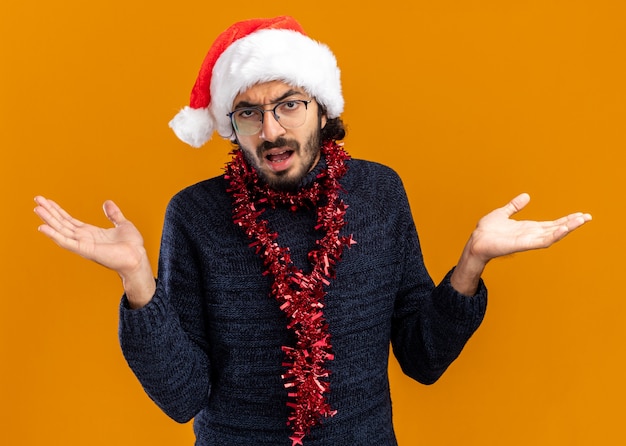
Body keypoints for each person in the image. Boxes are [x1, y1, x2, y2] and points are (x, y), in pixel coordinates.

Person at [34, 16, 591, 446]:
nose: (272, 130)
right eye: (248, 112)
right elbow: (183, 397)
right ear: (232, 125)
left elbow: (422, 358)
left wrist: (471, 263)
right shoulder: (195, 215)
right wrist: (138, 281)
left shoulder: (378, 195)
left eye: (289, 105)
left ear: (322, 109)